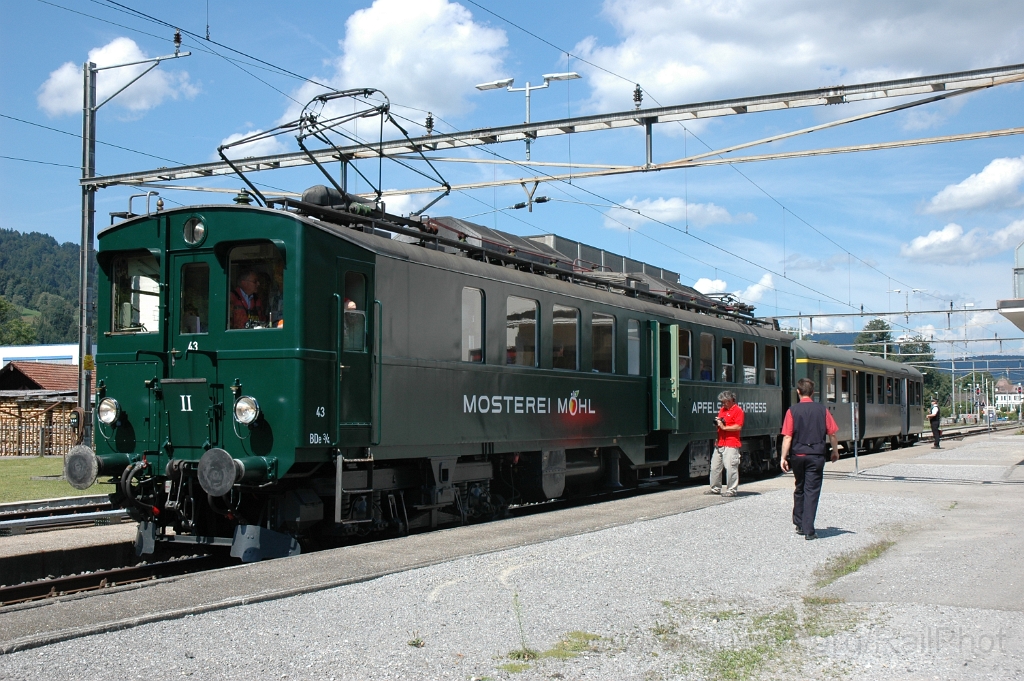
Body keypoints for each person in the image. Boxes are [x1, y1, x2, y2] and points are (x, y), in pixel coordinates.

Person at [780, 378, 839, 540]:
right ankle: (809, 529)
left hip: (798, 455)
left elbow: (787, 437)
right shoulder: (822, 410)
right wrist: (835, 451)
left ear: (798, 392)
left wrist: (783, 457)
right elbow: (832, 433)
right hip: (816, 455)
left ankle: (799, 522)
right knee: (811, 490)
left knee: (800, 486)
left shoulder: (792, 411)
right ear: (813, 393)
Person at [706, 390, 744, 497]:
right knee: (714, 467)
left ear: (731, 400)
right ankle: (715, 488)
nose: (723, 404)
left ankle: (732, 490)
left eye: (725, 402)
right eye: (722, 402)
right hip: (720, 442)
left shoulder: (738, 411)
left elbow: (738, 426)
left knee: (731, 467)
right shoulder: (722, 410)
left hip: (731, 443)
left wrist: (724, 427)